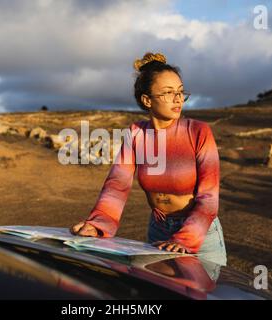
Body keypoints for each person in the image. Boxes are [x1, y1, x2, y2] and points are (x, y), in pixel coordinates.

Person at [70, 52, 227, 266]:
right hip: (159, 230)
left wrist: (186, 238)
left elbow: (209, 195)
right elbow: (117, 185)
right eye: (168, 93)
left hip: (199, 234)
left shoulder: (198, 132)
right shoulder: (136, 134)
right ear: (147, 100)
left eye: (181, 92)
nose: (178, 99)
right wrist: (98, 224)